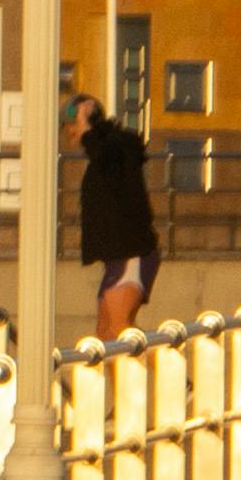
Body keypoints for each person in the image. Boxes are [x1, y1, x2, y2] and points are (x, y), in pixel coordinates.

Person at [73, 90, 162, 338]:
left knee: (119, 330)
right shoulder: (111, 156)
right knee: (104, 337)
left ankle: (172, 373)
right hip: (116, 259)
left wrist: (86, 125)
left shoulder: (116, 150)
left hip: (131, 255)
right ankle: (124, 377)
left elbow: (104, 154)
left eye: (73, 125)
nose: (71, 133)